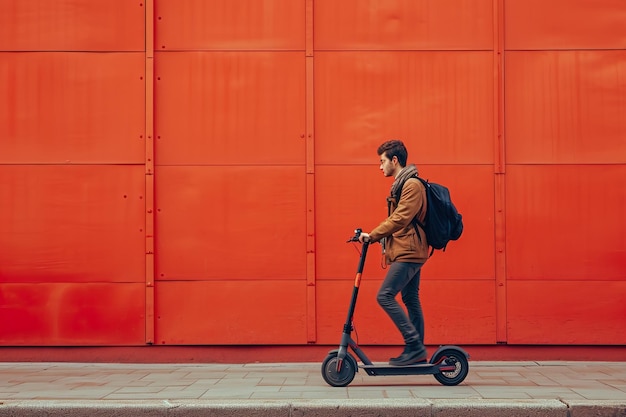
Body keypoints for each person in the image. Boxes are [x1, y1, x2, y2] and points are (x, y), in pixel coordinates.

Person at [358, 139, 429, 366]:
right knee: (409, 298)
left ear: (394, 160)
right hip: (408, 249)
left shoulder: (412, 185)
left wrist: (373, 235)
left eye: (382, 161)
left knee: (384, 295)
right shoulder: (401, 185)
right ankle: (415, 351)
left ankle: (414, 345)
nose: (380, 167)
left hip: (409, 251)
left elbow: (400, 218)